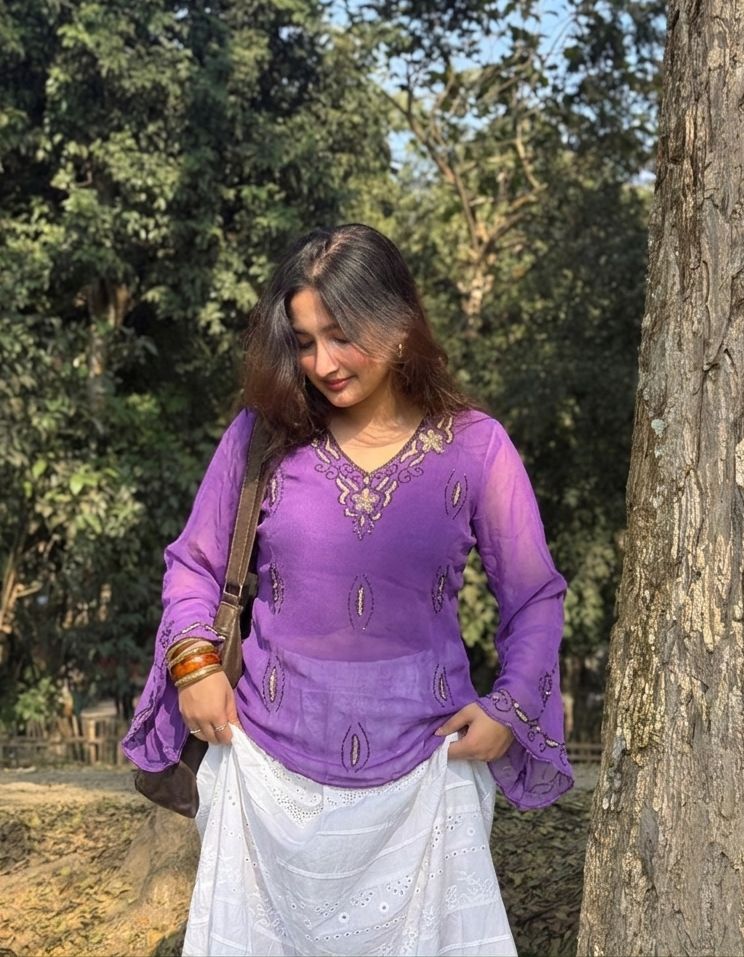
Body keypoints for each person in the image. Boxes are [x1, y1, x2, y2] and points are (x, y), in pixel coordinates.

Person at [122, 223, 574, 957]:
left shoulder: (476, 446)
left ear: (397, 323)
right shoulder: (263, 437)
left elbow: (535, 595)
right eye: (304, 342)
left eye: (342, 336)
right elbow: (193, 565)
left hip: (429, 783)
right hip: (263, 778)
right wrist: (195, 666)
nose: (322, 363)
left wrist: (510, 707)